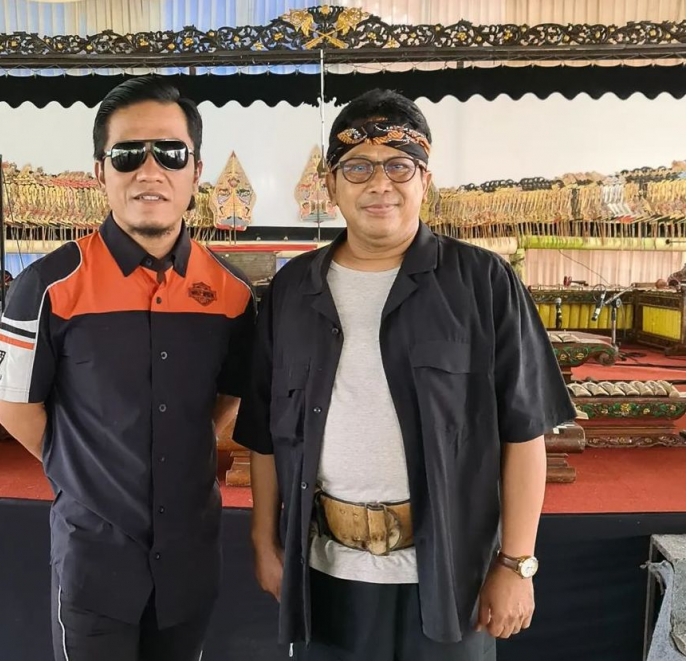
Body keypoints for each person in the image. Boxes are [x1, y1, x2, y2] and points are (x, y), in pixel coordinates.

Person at [233, 89, 576, 660]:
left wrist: (517, 562)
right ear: (331, 183)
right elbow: (266, 434)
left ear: (425, 180)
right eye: (358, 167)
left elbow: (525, 432)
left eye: (399, 166)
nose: (380, 184)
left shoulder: (483, 283)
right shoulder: (292, 291)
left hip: (452, 574)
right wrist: (263, 542)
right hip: (325, 572)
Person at [0, 77, 255, 661]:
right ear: (100, 171)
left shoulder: (232, 293)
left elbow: (229, 397)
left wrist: (176, 450)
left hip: (190, 558)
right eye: (128, 154)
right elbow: (13, 408)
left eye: (171, 153)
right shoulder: (47, 285)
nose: (149, 171)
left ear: (197, 171)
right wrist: (89, 475)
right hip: (95, 557)